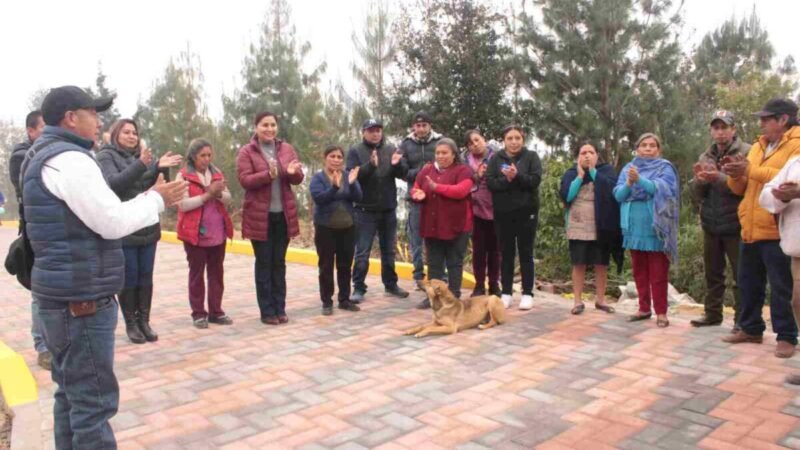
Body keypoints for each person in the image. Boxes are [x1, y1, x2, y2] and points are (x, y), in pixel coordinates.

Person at [22, 85, 186, 449]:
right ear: (71, 118)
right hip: (81, 302)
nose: (100, 121)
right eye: (93, 113)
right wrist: (156, 200)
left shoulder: (44, 154)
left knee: (71, 396)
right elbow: (110, 221)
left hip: (61, 299)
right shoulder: (71, 161)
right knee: (93, 405)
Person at [722, 98, 800, 359]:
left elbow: (784, 179)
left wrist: (751, 170)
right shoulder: (758, 145)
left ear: (783, 120)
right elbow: (741, 187)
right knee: (748, 282)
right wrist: (736, 174)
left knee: (781, 286)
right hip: (750, 224)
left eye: (766, 119)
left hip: (776, 227)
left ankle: (787, 336)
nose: (761, 123)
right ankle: (751, 327)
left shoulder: (797, 145)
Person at [97, 119, 182, 343]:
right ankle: (131, 324)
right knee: (130, 277)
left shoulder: (139, 157)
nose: (132, 136)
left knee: (146, 276)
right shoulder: (106, 156)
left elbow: (151, 185)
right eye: (126, 132)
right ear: (116, 134)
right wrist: (143, 164)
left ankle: (144, 321)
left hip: (148, 225)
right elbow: (115, 185)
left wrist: (159, 167)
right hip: (126, 227)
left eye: (135, 132)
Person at [237, 111, 304, 325]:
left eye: (273, 125)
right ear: (256, 127)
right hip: (260, 217)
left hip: (282, 216)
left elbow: (297, 179)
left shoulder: (286, 149)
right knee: (264, 263)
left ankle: (280, 308)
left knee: (279, 263)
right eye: (265, 125)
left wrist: (293, 173)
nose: (269, 129)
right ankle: (267, 311)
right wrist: (269, 175)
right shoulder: (247, 152)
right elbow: (245, 180)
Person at [688, 110, 748, 329]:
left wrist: (719, 178)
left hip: (737, 223)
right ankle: (712, 314)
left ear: (733, 130)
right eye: (716, 127)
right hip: (711, 224)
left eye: (725, 127)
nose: (720, 132)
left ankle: (742, 320)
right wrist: (699, 181)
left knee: (741, 276)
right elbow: (696, 194)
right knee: (713, 273)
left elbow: (747, 188)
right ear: (711, 131)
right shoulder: (705, 156)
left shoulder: (747, 152)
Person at [614, 133, 680, 328]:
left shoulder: (664, 168)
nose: (648, 148)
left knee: (658, 272)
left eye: (652, 145)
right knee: (639, 270)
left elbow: (663, 190)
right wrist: (629, 183)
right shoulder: (628, 168)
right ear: (637, 149)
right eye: (644, 145)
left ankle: (661, 312)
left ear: (658, 150)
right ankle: (644, 308)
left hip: (656, 228)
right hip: (633, 227)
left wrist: (640, 180)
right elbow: (618, 196)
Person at [346, 119, 410, 303]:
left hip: (388, 209)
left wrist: (398, 164)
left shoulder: (390, 149)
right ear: (364, 132)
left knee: (388, 250)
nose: (375, 134)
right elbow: (352, 177)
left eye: (378, 130)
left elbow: (403, 174)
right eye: (371, 130)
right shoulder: (355, 151)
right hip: (364, 210)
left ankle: (390, 284)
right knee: (362, 252)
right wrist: (370, 166)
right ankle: (358, 287)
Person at [176, 139, 234, 328]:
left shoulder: (216, 174)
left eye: (209, 155)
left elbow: (228, 198)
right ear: (193, 156)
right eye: (203, 155)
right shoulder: (183, 176)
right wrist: (208, 195)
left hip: (218, 232)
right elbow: (183, 205)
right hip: (195, 234)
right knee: (196, 274)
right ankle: (198, 313)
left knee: (217, 273)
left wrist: (218, 193)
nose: (207, 159)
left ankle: (216, 311)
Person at [559, 142, 621, 315]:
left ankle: (600, 300)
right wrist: (579, 177)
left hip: (601, 225)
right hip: (578, 224)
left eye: (590, 152)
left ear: (597, 155)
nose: (586, 155)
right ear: (578, 157)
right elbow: (567, 196)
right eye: (583, 152)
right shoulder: (571, 173)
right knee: (579, 263)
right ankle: (577, 301)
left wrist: (593, 171)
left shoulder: (606, 171)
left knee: (601, 263)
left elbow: (612, 192)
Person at [8, 110, 49, 369]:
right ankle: (42, 346)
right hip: (36, 236)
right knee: (40, 292)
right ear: (31, 131)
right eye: (44, 129)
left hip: (55, 234)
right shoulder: (21, 156)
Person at [411, 138, 473, 305]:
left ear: (454, 154)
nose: (440, 156)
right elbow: (415, 187)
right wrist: (417, 194)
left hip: (457, 226)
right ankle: (433, 296)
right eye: (438, 153)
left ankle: (453, 295)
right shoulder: (427, 170)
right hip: (432, 225)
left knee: (454, 262)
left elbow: (461, 191)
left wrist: (436, 188)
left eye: (445, 153)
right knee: (434, 263)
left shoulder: (464, 170)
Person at [486, 125, 542, 310]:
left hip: (527, 213)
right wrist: (507, 180)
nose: (514, 141)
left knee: (526, 253)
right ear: (504, 140)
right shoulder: (495, 158)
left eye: (517, 138)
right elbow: (491, 183)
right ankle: (507, 292)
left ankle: (527, 293)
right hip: (503, 214)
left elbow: (535, 180)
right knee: (506, 253)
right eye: (510, 138)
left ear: (523, 139)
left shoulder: (531, 157)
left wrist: (517, 176)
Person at [759, 152, 800, 384]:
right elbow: (766, 194)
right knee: (798, 301)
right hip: (797, 248)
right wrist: (782, 196)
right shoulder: (794, 162)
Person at [310, 145, 363, 315]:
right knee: (326, 266)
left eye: (339, 157)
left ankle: (344, 300)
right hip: (326, 228)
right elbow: (319, 199)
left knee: (345, 265)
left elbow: (358, 197)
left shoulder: (348, 176)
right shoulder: (318, 178)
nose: (336, 160)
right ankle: (327, 301)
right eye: (332, 156)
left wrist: (353, 184)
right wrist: (333, 187)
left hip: (348, 227)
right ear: (325, 158)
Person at [399, 111, 442, 290]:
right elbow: (402, 173)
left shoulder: (440, 141)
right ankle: (418, 276)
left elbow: (448, 167)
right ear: (413, 127)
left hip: (437, 198)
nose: (421, 128)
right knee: (416, 239)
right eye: (418, 125)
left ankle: (440, 275)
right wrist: (421, 171)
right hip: (415, 198)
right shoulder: (405, 145)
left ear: (430, 126)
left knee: (439, 238)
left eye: (425, 125)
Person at [463, 129, 501, 298]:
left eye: (477, 140)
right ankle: (479, 285)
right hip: (475, 211)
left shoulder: (498, 157)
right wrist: (476, 176)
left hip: (497, 211)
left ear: (484, 139)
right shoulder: (465, 161)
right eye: (470, 143)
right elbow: (464, 183)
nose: (475, 145)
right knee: (478, 251)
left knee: (496, 250)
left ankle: (494, 284)